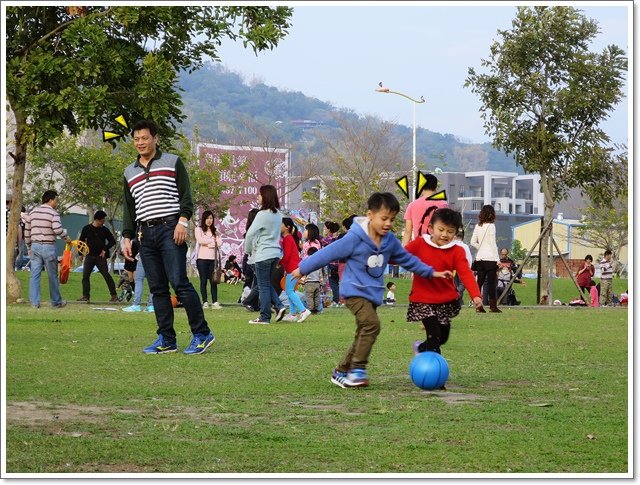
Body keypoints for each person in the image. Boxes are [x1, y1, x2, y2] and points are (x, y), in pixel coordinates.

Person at [292, 192, 453, 389]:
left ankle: (341, 371)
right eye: (384, 218)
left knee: (364, 332)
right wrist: (302, 268)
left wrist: (431, 272)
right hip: (354, 291)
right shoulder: (354, 238)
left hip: (372, 295)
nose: (387, 224)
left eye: (392, 220)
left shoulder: (390, 241)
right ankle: (357, 371)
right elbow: (327, 253)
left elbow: (407, 260)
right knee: (372, 325)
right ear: (370, 215)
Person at [121, 119, 214, 355]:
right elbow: (129, 209)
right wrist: (127, 237)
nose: (140, 142)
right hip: (145, 233)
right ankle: (166, 338)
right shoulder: (129, 172)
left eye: (144, 138)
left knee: (179, 282)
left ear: (155, 138)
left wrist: (182, 222)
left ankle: (202, 333)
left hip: (171, 228)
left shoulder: (172, 162)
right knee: (157, 288)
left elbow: (186, 197)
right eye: (136, 139)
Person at [405, 208, 484, 360]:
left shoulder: (457, 251)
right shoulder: (420, 243)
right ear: (430, 228)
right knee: (434, 336)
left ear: (455, 233)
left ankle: (421, 347)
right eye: (441, 229)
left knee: (442, 337)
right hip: (422, 299)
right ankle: (437, 377)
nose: (444, 234)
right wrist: (382, 254)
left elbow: (465, 273)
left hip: (444, 300)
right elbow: (401, 256)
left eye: (450, 231)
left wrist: (475, 295)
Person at [243, 184, 287, 324]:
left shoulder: (262, 214)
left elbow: (250, 234)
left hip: (263, 254)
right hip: (275, 254)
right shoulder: (278, 215)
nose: (258, 197)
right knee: (266, 284)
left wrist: (248, 250)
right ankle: (279, 307)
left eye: (260, 194)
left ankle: (264, 317)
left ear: (266, 196)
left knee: (262, 286)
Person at [24, 189, 71, 309]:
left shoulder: (32, 212)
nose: (57, 203)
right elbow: (57, 229)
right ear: (50, 200)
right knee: (52, 275)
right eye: (56, 200)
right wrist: (65, 237)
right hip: (49, 246)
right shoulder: (53, 213)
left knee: (34, 274)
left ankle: (34, 302)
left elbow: (27, 231)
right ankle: (56, 302)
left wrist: (28, 246)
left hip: (35, 246)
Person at [76, 210, 118, 303]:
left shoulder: (104, 230)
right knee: (85, 276)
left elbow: (112, 241)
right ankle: (85, 296)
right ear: (97, 220)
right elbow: (81, 241)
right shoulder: (86, 228)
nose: (103, 223)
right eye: (102, 221)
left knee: (106, 275)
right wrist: (80, 254)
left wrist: (105, 249)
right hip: (89, 256)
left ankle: (114, 295)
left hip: (100, 257)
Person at [402, 173, 448, 246]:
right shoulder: (443, 204)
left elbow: (408, 231)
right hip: (437, 246)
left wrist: (404, 253)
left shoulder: (412, 205)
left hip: (419, 247)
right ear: (435, 187)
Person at [280, 217, 312, 322]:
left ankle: (303, 311)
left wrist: (280, 263)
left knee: (289, 291)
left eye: (281, 224)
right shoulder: (289, 238)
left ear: (287, 227)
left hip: (292, 268)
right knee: (290, 290)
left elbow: (287, 255)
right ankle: (293, 314)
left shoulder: (287, 239)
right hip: (292, 267)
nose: (279, 226)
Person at [470, 204, 501, 313]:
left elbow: (472, 242)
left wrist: (481, 247)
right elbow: (493, 244)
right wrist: (498, 259)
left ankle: (478, 306)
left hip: (480, 259)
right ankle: (493, 306)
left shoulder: (478, 226)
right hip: (490, 258)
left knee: (479, 283)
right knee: (492, 283)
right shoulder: (492, 226)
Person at [194, 210, 223, 310]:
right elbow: (201, 241)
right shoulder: (199, 229)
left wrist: (209, 243)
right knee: (203, 281)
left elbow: (219, 243)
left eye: (211, 218)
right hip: (202, 259)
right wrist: (212, 242)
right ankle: (205, 301)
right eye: (207, 218)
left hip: (213, 260)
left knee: (213, 281)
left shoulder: (216, 231)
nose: (209, 220)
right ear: (204, 219)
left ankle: (215, 301)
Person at [122, 238, 155, 312]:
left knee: (139, 280)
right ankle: (151, 305)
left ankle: (136, 304)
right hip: (155, 257)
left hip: (143, 255)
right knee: (153, 281)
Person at [453, 229, 473, 307]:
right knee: (463, 284)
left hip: (453, 268)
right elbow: (469, 259)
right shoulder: (465, 246)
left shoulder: (451, 245)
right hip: (462, 267)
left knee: (455, 284)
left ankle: (459, 302)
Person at [302, 246, 323, 313]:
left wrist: (303, 279)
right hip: (317, 282)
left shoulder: (307, 261)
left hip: (309, 282)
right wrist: (321, 281)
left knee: (309, 297)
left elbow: (304, 271)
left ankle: (311, 310)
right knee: (316, 297)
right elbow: (320, 273)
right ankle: (317, 309)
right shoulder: (318, 262)